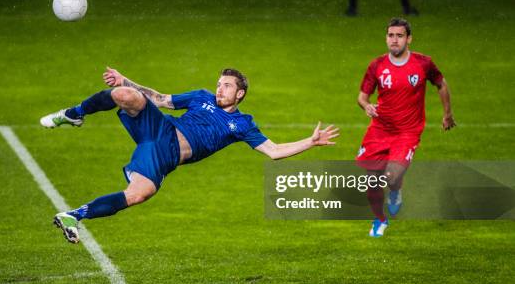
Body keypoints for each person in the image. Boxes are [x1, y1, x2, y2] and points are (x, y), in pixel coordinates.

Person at [41, 68, 340, 243]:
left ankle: (73, 215)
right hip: (162, 130)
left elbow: (274, 152)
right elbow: (159, 98)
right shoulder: (201, 97)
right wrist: (125, 79)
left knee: (138, 194)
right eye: (219, 84)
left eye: (226, 86)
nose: (219, 89)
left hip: (163, 156)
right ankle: (74, 114)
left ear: (240, 94)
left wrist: (310, 142)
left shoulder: (242, 124)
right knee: (126, 95)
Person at [356, 18, 455, 237]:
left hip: (407, 132)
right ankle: (380, 220)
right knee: (371, 179)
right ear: (386, 38)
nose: (394, 40)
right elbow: (362, 97)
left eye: (399, 35)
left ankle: (395, 189)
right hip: (380, 129)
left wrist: (447, 114)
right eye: (391, 35)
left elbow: (441, 84)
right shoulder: (377, 65)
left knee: (391, 176)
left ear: (409, 39)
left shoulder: (423, 63)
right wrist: (366, 106)